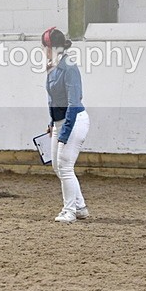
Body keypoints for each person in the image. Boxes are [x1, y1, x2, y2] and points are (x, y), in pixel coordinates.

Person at [42, 26, 91, 223]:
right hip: (59, 121)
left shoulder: (69, 67)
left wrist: (65, 132)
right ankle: (80, 207)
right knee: (57, 166)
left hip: (74, 121)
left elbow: (74, 102)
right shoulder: (53, 66)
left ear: (51, 47)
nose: (43, 50)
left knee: (65, 166)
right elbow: (54, 99)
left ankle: (69, 211)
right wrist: (52, 122)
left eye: (45, 46)